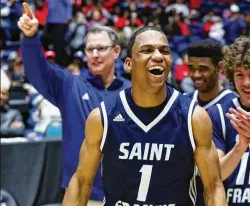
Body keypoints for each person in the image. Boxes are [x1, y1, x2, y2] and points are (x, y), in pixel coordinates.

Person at [63, 26, 227, 206]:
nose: (158, 56)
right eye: (147, 50)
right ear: (129, 64)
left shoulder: (194, 117)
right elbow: (81, 182)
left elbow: (213, 187)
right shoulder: (102, 117)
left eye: (164, 51)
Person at [17, 2, 131, 205]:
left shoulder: (133, 93)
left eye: (101, 48)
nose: (95, 55)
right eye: (90, 49)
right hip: (79, 194)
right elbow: (37, 72)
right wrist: (31, 38)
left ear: (116, 51)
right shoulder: (69, 86)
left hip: (125, 194)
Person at [208, 37, 250, 205]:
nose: (247, 82)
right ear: (231, 75)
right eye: (240, 75)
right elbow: (214, 176)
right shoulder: (219, 114)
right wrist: (241, 145)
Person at [185, 39, 237, 206]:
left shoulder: (234, 106)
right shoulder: (182, 104)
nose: (196, 75)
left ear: (220, 68)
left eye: (203, 69)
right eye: (191, 69)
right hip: (187, 195)